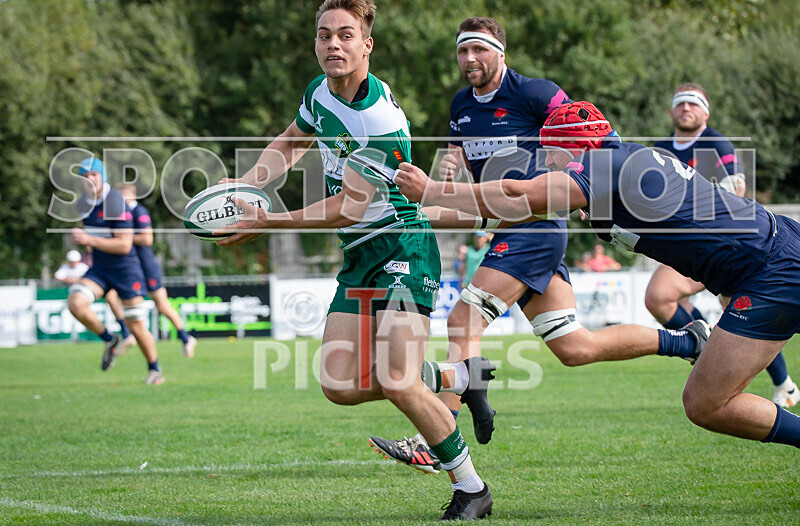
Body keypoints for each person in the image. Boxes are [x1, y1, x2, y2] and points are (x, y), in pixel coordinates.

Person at [368, 18, 706, 474]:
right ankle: (686, 342)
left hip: (536, 224)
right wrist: (449, 172)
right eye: (463, 51)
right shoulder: (460, 106)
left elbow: (594, 131)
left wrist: (602, 188)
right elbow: (465, 167)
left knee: (462, 321)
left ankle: (440, 432)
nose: (470, 59)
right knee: (574, 347)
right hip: (508, 226)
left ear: (500, 52)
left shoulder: (535, 93)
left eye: (479, 50)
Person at [215, 1, 491, 519]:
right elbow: (293, 140)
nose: (332, 45)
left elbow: (347, 208)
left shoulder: (377, 120)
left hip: (402, 248)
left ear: (367, 45)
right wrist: (247, 186)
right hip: (359, 255)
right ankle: (457, 377)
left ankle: (471, 488)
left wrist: (267, 222)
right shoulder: (320, 92)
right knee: (338, 383)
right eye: (324, 36)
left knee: (397, 380)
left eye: (345, 35)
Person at [395, 100, 800, 451]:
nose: (546, 164)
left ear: (575, 147)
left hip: (769, 270)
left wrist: (433, 189)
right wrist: (413, 216)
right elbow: (509, 211)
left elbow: (524, 195)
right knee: (702, 400)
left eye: (550, 154)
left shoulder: (605, 164)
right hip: (767, 260)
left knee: (707, 403)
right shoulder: (619, 167)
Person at [647, 83, 798, 408]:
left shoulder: (715, 143)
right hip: (682, 244)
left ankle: (781, 382)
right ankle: (705, 341)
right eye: (680, 103)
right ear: (672, 111)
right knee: (660, 299)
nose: (686, 108)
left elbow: (736, 190)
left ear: (706, 112)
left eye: (693, 103)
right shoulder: (660, 148)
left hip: (723, 244)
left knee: (744, 310)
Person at [66, 157, 164, 385]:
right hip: (100, 269)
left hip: (125, 270)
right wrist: (88, 242)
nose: (89, 179)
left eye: (94, 174)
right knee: (75, 303)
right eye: (85, 175)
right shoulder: (83, 203)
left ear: (102, 176)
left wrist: (89, 238)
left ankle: (155, 369)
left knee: (136, 323)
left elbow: (124, 245)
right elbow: (96, 237)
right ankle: (110, 339)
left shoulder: (115, 203)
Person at [117, 184, 197, 358]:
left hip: (146, 266)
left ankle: (186, 338)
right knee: (118, 299)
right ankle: (127, 335)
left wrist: (123, 237)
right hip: (131, 267)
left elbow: (147, 238)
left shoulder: (139, 212)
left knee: (162, 305)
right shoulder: (122, 215)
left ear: (132, 196)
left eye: (123, 196)